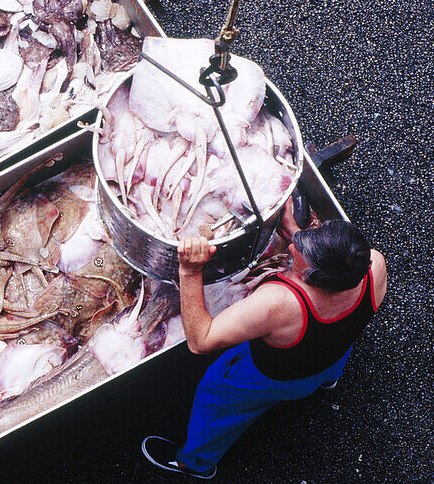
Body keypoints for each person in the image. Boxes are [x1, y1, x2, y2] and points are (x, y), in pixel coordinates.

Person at [141, 200, 387, 478]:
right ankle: (326, 381)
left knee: (215, 397)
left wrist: (190, 271)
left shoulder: (280, 304)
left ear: (311, 278)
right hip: (331, 357)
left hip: (273, 379)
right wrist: (295, 232)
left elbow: (200, 341)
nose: (292, 248)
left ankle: (195, 463)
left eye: (297, 258)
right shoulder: (373, 264)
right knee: (331, 354)